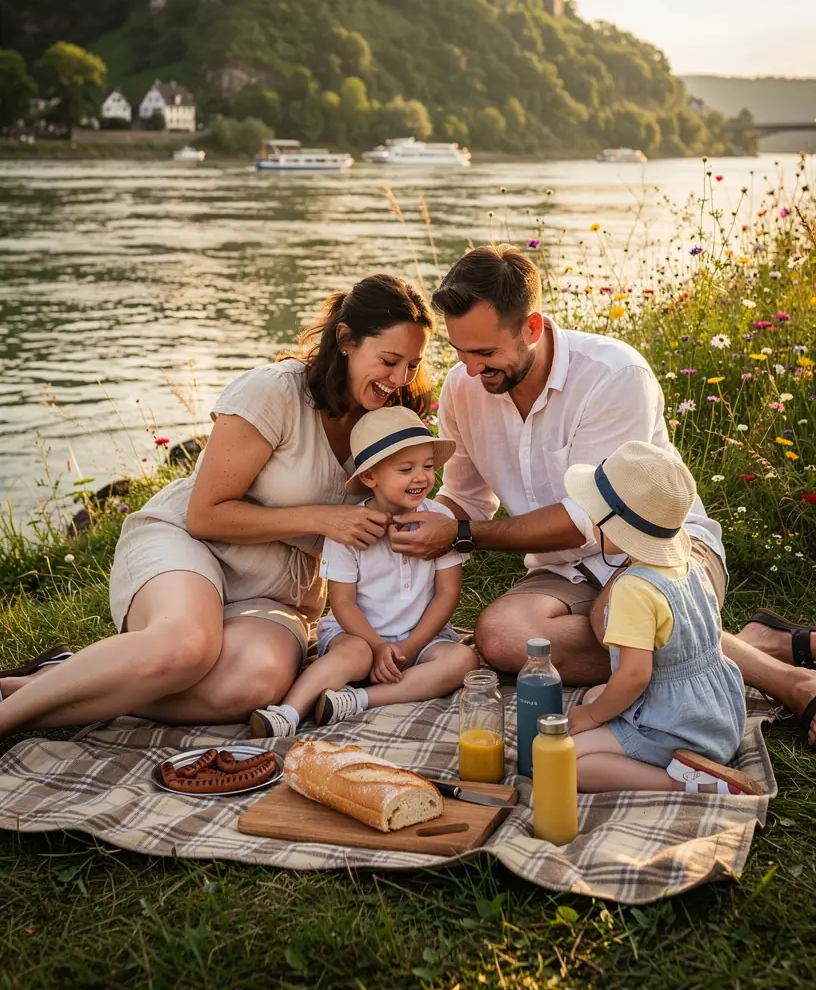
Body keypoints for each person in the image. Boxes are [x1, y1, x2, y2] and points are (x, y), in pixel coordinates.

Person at [388, 245, 816, 748]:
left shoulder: (614, 375)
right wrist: (409, 519)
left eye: (485, 353)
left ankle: (794, 683)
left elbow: (588, 519)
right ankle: (742, 643)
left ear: (532, 328)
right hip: (565, 570)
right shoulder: (465, 388)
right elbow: (466, 496)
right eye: (460, 352)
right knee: (501, 638)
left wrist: (460, 536)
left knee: (618, 614)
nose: (471, 370)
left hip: (658, 549)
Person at [0, 274, 436, 734]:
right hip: (189, 545)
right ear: (346, 339)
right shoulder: (275, 392)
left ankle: (61, 679)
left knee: (254, 686)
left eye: (412, 365)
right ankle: (8, 718)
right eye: (389, 361)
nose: (399, 379)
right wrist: (323, 520)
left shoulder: (390, 421)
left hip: (277, 589)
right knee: (186, 647)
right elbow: (204, 515)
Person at [250, 406, 478, 737]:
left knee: (462, 661)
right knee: (352, 654)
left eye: (428, 466)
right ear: (370, 477)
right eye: (406, 469)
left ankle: (358, 699)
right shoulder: (349, 528)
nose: (421, 477)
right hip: (358, 634)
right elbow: (342, 603)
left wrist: (412, 646)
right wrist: (376, 645)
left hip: (421, 638)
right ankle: (288, 712)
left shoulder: (439, 518)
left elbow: (448, 592)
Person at [563, 440, 761, 795]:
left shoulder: (633, 589)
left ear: (613, 522)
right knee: (595, 694)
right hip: (718, 716)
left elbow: (636, 675)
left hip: (678, 730)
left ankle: (681, 780)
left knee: (567, 762)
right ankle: (695, 760)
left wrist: (592, 718)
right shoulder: (686, 564)